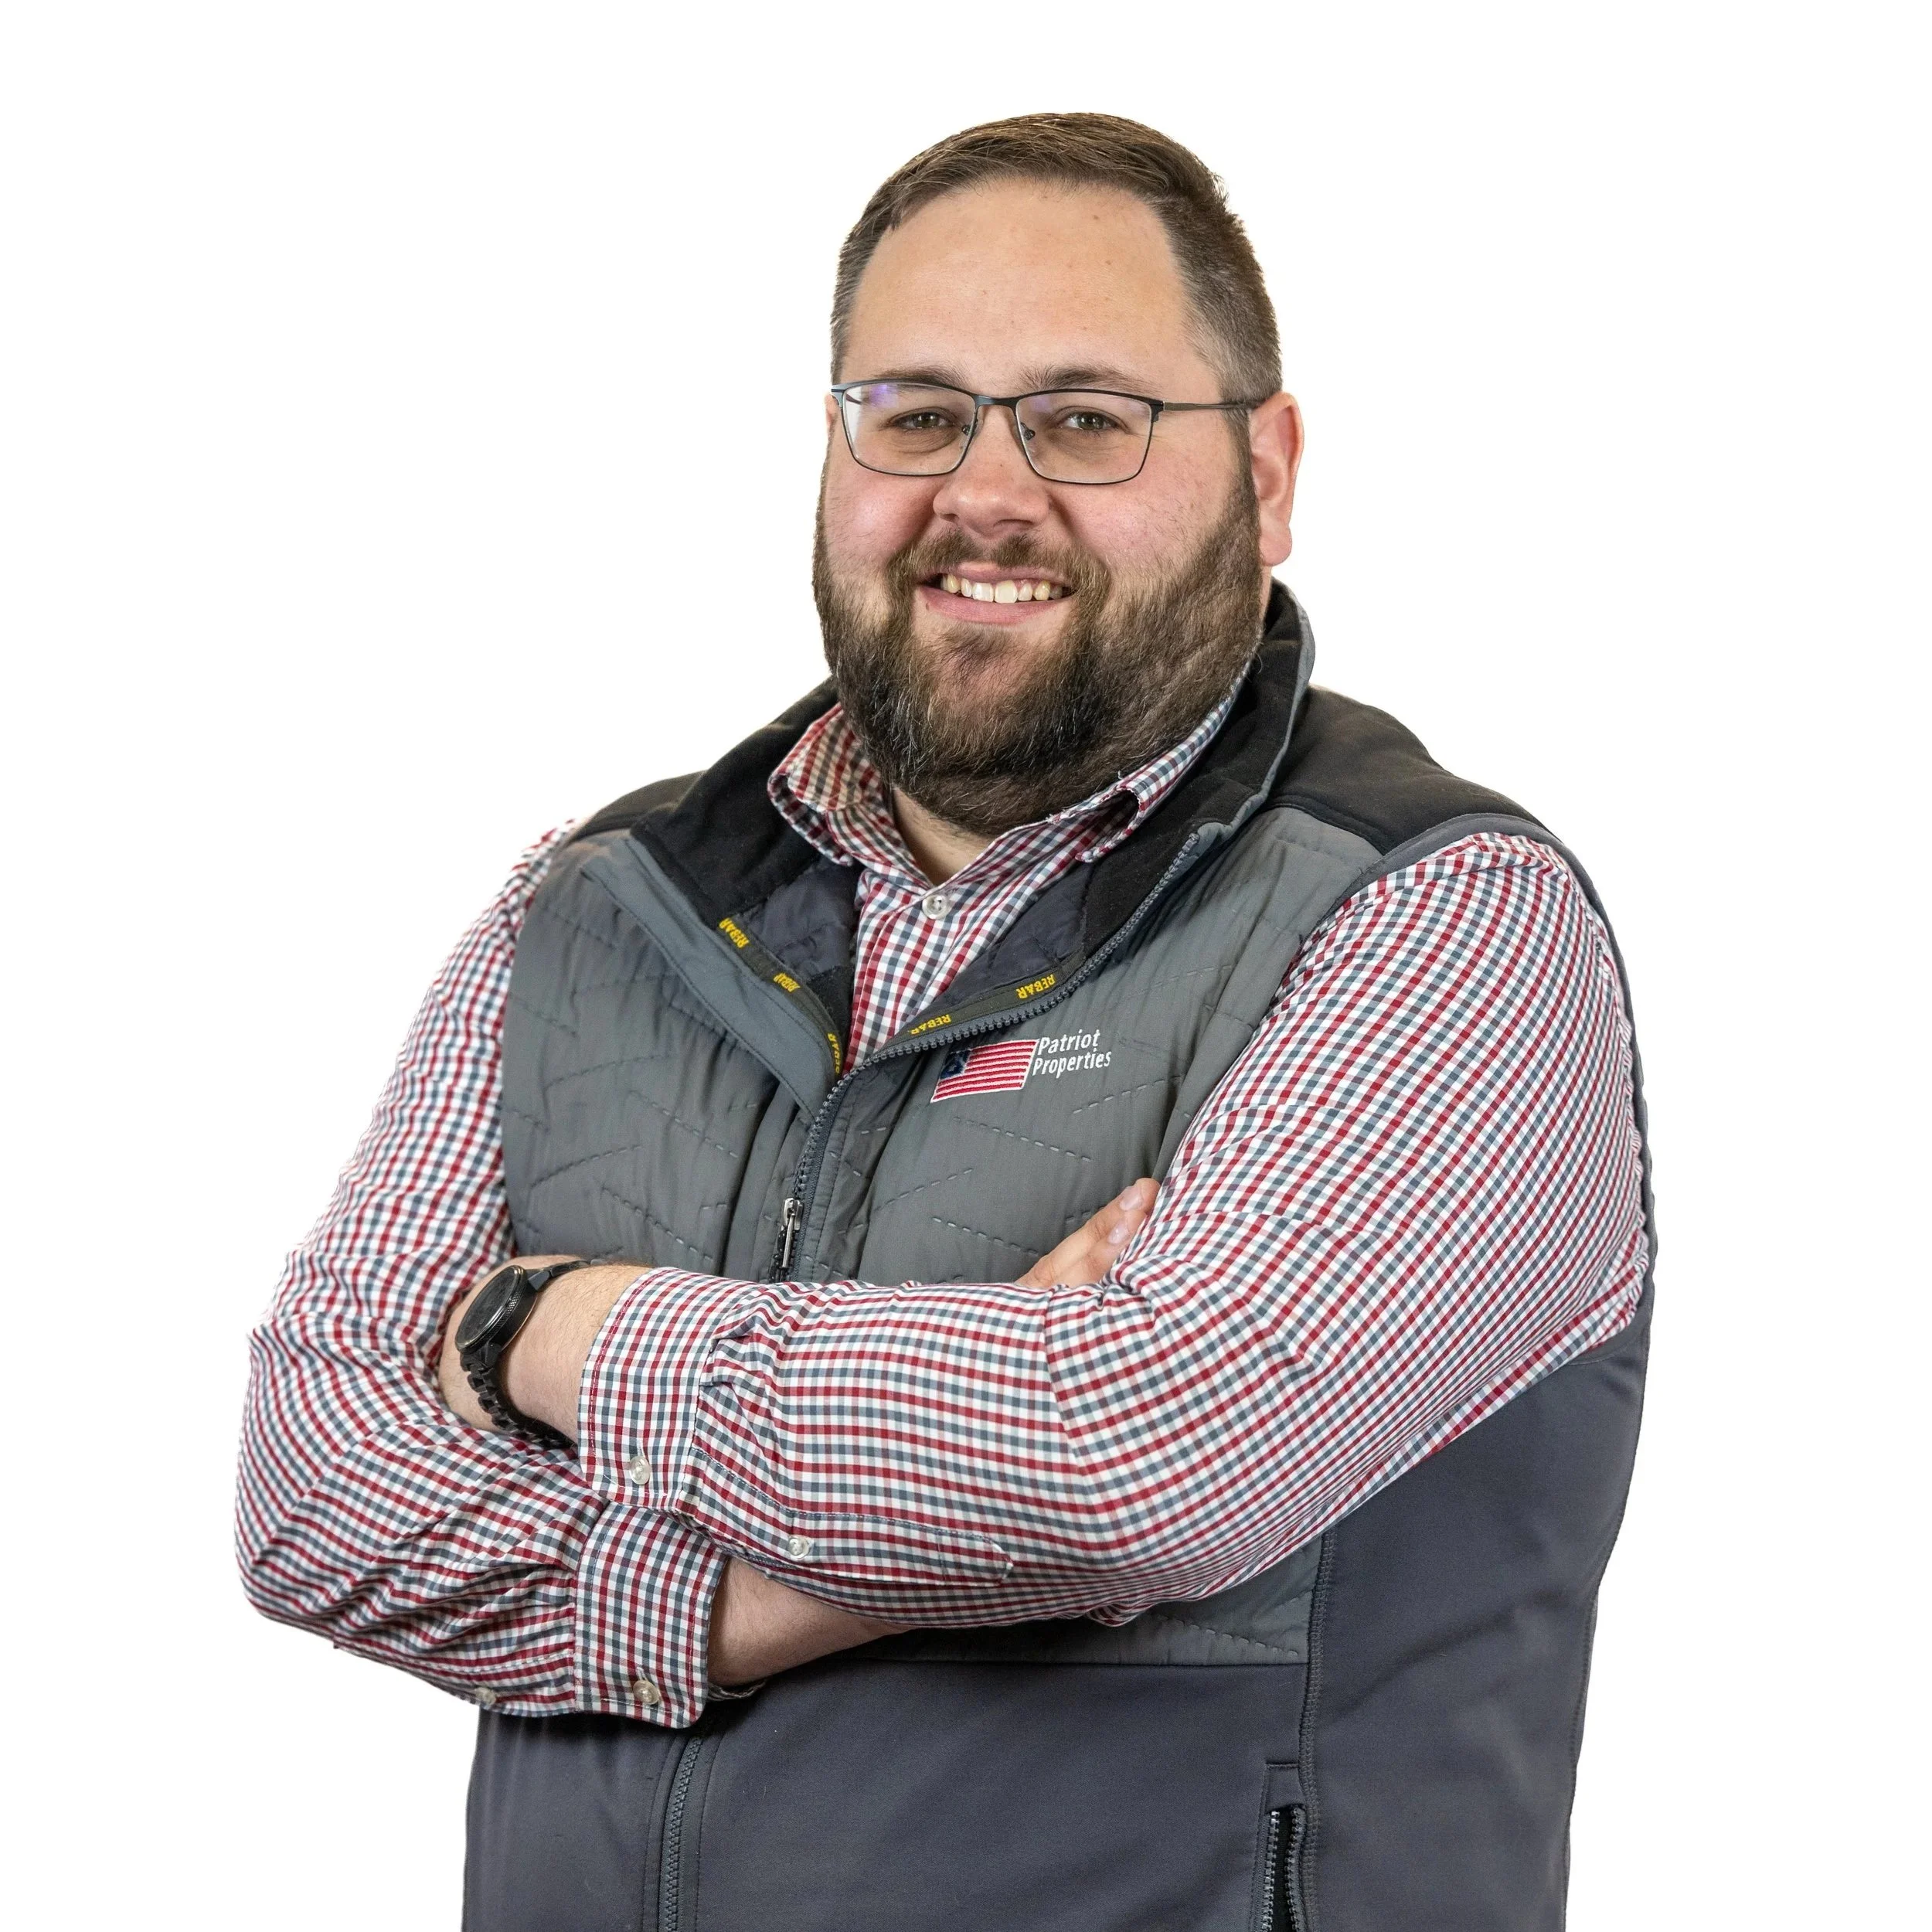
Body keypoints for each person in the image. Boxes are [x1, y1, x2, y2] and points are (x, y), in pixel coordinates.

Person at [238, 113, 1652, 1932]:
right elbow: (312, 1493)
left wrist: (541, 1328)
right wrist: (780, 1593)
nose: (984, 493)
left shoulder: (1434, 917)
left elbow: (1126, 1467)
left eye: (1084, 418)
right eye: (912, 415)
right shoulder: (594, 909)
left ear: (1265, 470)